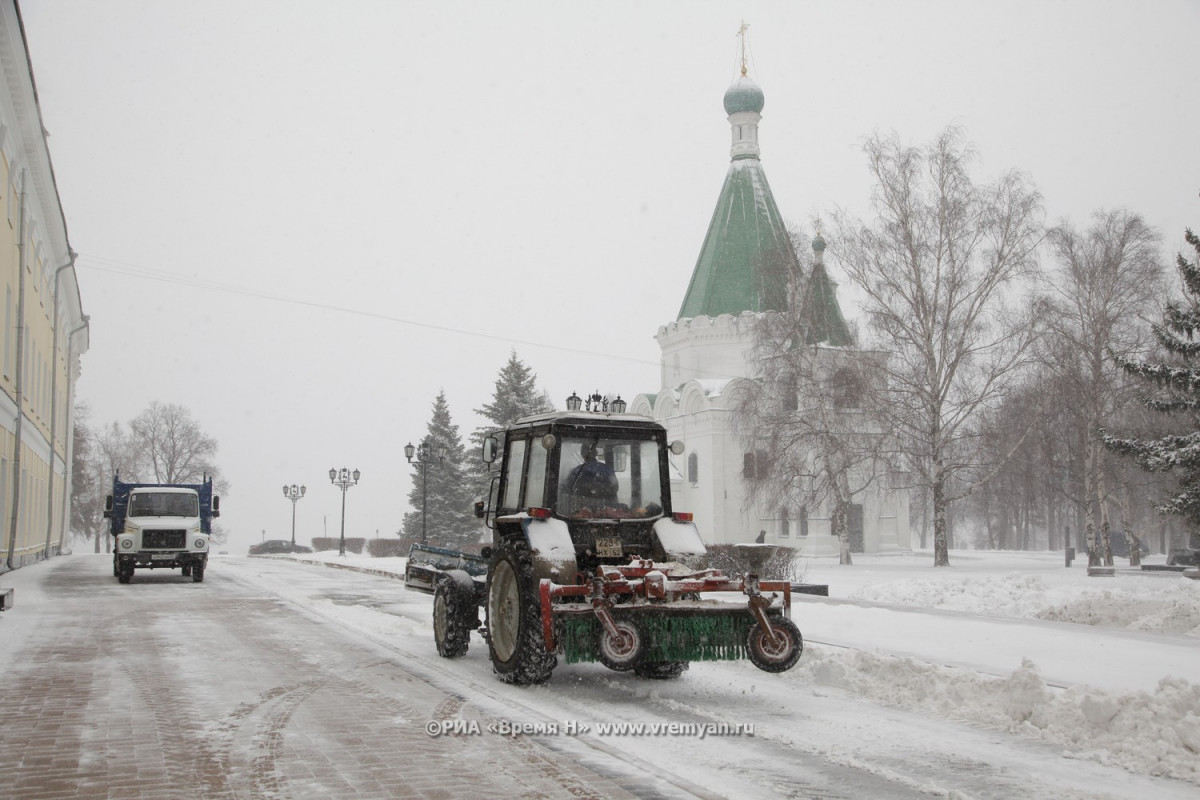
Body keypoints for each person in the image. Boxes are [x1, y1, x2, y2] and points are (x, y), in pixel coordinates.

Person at [562, 441, 618, 507]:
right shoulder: (607, 470)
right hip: (607, 509)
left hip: (580, 510)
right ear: (596, 453)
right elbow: (614, 488)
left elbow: (567, 489)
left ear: (582, 454)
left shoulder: (576, 471)